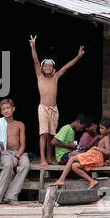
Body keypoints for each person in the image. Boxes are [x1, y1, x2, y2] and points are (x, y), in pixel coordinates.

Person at [30, 35, 84, 164]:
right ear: (42, 69)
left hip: (54, 109)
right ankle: (43, 158)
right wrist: (33, 46)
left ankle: (49, 158)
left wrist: (78, 56)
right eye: (45, 66)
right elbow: (36, 60)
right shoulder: (40, 77)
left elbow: (66, 67)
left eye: (50, 66)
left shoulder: (55, 77)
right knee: (43, 134)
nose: (47, 68)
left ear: (53, 68)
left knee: (52, 135)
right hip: (43, 108)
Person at [51, 117, 110, 189]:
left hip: (96, 157)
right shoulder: (104, 137)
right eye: (100, 128)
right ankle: (92, 181)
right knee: (74, 166)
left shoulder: (106, 138)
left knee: (72, 158)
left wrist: (96, 148)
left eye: (102, 128)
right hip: (95, 157)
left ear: (109, 129)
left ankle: (61, 179)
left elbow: (108, 152)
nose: (100, 130)